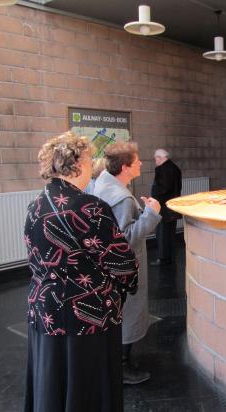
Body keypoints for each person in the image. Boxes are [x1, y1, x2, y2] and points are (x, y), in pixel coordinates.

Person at [24, 132, 139, 412]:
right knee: (88, 386)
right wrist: (129, 280)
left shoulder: (35, 204)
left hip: (45, 308)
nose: (92, 165)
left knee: (52, 380)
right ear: (76, 165)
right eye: (89, 159)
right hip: (87, 314)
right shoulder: (90, 207)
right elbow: (121, 262)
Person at [93, 141, 161, 385]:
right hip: (125, 271)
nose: (141, 163)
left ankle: (115, 362)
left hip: (105, 269)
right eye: (136, 160)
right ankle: (122, 367)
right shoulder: (122, 199)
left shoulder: (102, 183)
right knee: (128, 314)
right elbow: (126, 239)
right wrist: (151, 212)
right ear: (124, 167)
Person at [150, 149, 182, 266]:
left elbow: (162, 189)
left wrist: (153, 200)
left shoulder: (163, 169)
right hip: (172, 207)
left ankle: (163, 259)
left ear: (160, 157)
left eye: (155, 158)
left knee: (162, 233)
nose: (155, 161)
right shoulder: (175, 168)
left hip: (163, 208)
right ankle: (170, 257)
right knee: (170, 234)